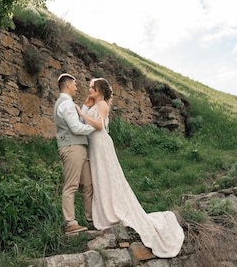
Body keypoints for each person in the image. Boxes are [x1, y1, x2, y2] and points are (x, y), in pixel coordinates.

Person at [77, 77, 185, 258]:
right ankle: (105, 211)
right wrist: (86, 106)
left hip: (102, 145)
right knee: (100, 178)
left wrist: (82, 112)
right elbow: (82, 125)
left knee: (109, 177)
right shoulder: (94, 104)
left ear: (100, 90)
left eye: (92, 88)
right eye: (88, 87)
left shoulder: (102, 104)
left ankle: (115, 210)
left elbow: (98, 125)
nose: (89, 90)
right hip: (95, 148)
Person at [53, 73, 103, 235]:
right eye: (74, 84)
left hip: (79, 148)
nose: (76, 87)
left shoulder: (69, 104)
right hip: (71, 147)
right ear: (67, 85)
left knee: (87, 185)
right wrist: (97, 127)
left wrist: (85, 108)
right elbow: (76, 128)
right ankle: (70, 223)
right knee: (71, 186)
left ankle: (91, 220)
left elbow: (77, 122)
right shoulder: (66, 104)